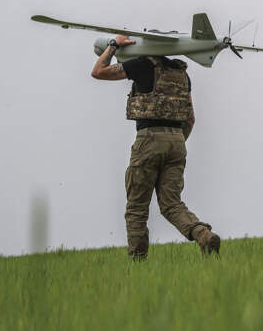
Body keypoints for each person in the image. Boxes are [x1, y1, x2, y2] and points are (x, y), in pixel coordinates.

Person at [91, 34, 220, 260]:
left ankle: (138, 262)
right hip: (177, 142)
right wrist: (174, 142)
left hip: (149, 140)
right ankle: (203, 234)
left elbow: (98, 71)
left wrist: (113, 45)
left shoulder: (142, 65)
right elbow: (190, 119)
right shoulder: (181, 73)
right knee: (172, 204)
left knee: (136, 208)